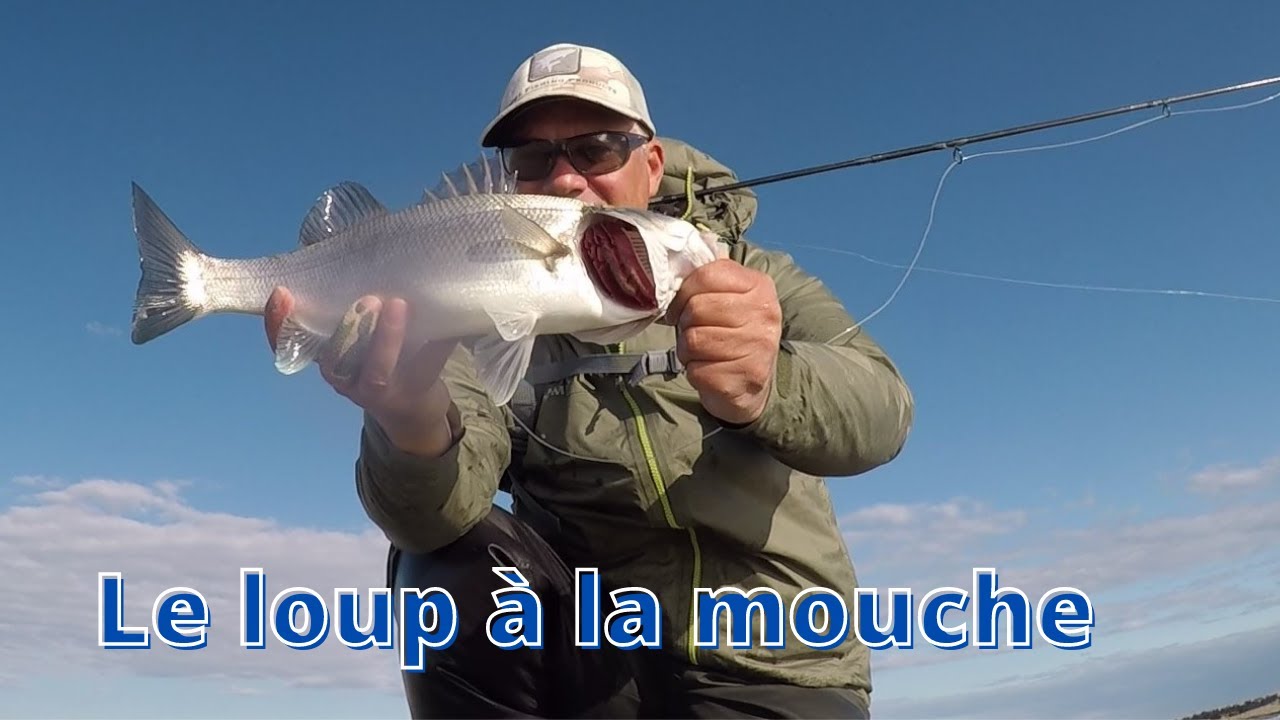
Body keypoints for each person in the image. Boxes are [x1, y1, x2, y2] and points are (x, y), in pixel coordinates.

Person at [264, 42, 914, 719]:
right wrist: (409, 420)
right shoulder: (479, 315)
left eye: (598, 148)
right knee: (441, 566)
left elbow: (884, 409)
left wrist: (769, 386)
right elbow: (430, 517)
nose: (566, 181)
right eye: (533, 159)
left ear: (651, 161)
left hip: (773, 663)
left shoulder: (757, 277)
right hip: (591, 652)